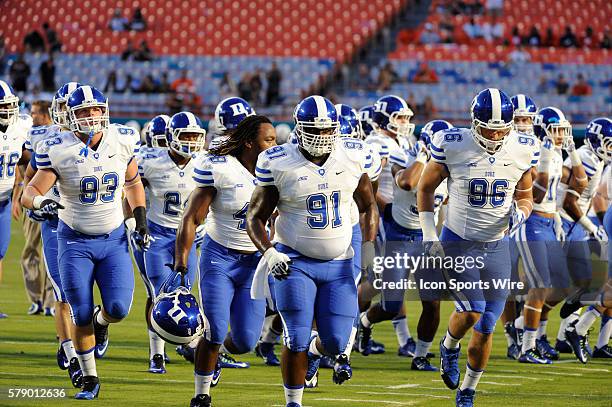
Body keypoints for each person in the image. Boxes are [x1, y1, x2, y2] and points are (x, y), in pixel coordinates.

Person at [247, 96, 378, 407]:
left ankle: (318, 356)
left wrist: (370, 249)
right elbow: (255, 217)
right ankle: (294, 401)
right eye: (313, 130)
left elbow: (369, 205)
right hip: (294, 262)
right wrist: (269, 252)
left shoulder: (353, 156)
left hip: (340, 263)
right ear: (299, 128)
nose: (321, 137)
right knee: (296, 337)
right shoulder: (278, 161)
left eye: (327, 130)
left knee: (335, 341)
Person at [21, 85, 150, 399]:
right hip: (73, 241)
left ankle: (101, 321)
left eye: (96, 110)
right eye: (83, 111)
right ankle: (90, 377)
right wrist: (40, 205)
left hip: (114, 239)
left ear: (105, 111)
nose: (91, 117)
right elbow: (30, 192)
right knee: (77, 311)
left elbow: (133, 183)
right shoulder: (58, 147)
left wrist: (140, 219)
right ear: (70, 115)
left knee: (118, 309)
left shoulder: (122, 140)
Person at [418, 88, 538, 406]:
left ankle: (468, 390)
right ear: (474, 122)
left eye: (502, 127)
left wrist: (521, 213)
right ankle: (448, 346)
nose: (496, 134)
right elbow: (425, 187)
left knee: (486, 327)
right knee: (472, 310)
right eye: (489, 127)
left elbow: (526, 196)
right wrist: (430, 235)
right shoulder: (453, 143)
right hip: (458, 241)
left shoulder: (525, 148)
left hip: (498, 246)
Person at [173, 115, 276, 407]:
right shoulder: (221, 169)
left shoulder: (278, 170)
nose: (274, 146)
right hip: (220, 258)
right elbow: (191, 218)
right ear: (249, 143)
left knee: (244, 341)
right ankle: (201, 395)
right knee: (215, 329)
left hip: (255, 264)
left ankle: (214, 357)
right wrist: (181, 262)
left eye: (275, 140)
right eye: (268, 140)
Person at [18, 83, 84, 388]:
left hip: (90, 227)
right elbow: (29, 178)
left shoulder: (104, 141)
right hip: (57, 223)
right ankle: (70, 351)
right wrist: (33, 200)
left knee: (91, 298)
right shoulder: (46, 141)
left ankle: (94, 328)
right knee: (63, 294)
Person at [514, 106, 587, 364]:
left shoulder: (555, 153)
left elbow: (581, 181)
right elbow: (538, 195)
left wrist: (572, 152)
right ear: (543, 129)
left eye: (564, 129)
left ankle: (524, 324)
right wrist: (543, 159)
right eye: (557, 129)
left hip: (549, 223)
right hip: (532, 222)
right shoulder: (533, 152)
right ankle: (527, 346)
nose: (562, 134)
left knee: (563, 284)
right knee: (541, 284)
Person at [135, 111, 205, 374]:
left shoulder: (204, 162)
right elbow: (131, 190)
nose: (191, 141)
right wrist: (134, 222)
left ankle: (191, 345)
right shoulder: (150, 159)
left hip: (188, 238)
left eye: (195, 136)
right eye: (185, 135)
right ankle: (157, 354)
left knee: (186, 293)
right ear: (171, 137)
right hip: (157, 234)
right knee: (161, 294)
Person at [11, 100, 55, 316]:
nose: (32, 116)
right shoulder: (32, 134)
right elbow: (22, 167)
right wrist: (17, 197)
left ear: (46, 115)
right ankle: (36, 299)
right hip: (33, 198)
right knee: (30, 249)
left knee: (51, 251)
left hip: (54, 200)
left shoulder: (56, 133)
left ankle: (49, 302)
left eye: (36, 113)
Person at [0, 80, 33, 318]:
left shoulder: (20, 127)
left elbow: (25, 157)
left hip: (2, 201)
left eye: (10, 105)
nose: (8, 111)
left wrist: (22, 186)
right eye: (3, 106)